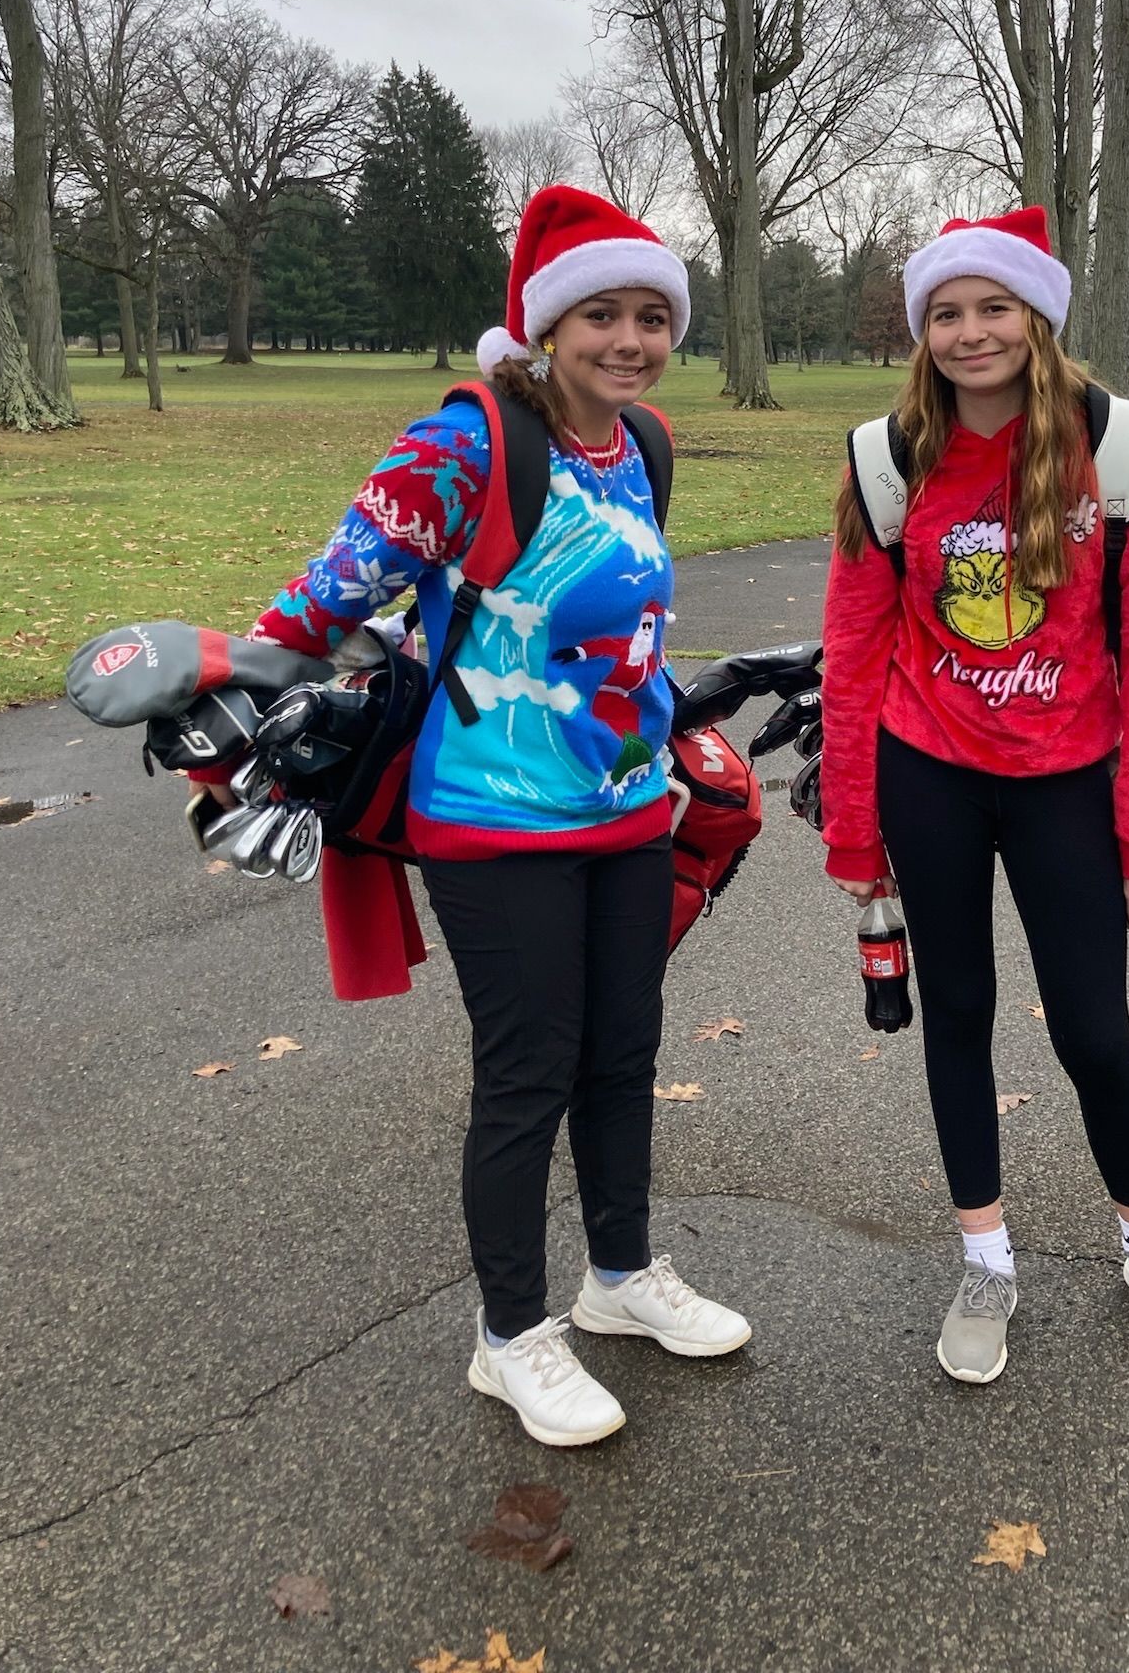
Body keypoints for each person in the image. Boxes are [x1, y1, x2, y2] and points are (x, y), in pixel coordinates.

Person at [199, 186, 751, 1447]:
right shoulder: (467, 443)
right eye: (600, 314)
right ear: (546, 329)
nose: (629, 338)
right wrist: (228, 682)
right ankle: (511, 1338)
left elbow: (613, 625)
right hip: (490, 816)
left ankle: (619, 1277)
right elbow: (328, 596)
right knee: (528, 1070)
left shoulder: (644, 443)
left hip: (621, 801)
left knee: (621, 1051)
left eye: (652, 315)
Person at [820, 205, 1129, 1385]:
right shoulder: (885, 459)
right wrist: (856, 828)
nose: (969, 329)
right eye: (945, 311)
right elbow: (852, 654)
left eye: (992, 305)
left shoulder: (1114, 446)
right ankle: (986, 1259)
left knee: (1096, 1028)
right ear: (921, 332)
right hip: (930, 771)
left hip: (1068, 780)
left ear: (1036, 316)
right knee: (958, 1014)